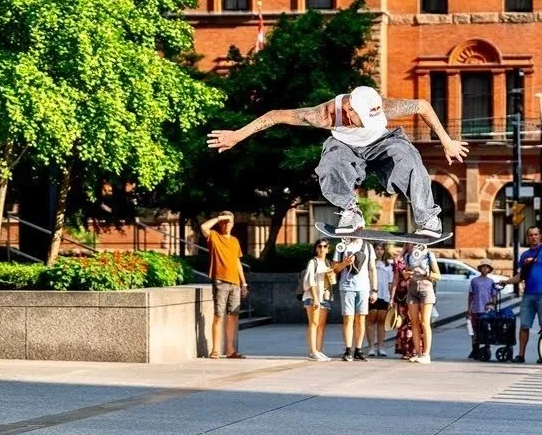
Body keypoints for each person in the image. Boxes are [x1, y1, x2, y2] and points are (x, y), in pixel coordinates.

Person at [206, 86, 469, 238]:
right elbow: (275, 115)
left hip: (382, 143)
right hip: (346, 146)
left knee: (410, 159)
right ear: (349, 110)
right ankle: (350, 212)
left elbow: (423, 106)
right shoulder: (322, 116)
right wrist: (238, 135)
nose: (362, 121)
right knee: (330, 163)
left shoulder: (381, 106)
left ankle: (427, 219)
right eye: (360, 119)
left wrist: (446, 140)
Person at [200, 211, 248, 359]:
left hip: (235, 283)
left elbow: (237, 261)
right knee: (218, 316)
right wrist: (219, 218)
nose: (227, 224)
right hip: (220, 281)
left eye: (230, 222)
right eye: (224, 222)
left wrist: (244, 283)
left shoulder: (234, 241)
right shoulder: (214, 236)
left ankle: (230, 350)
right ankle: (215, 349)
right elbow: (203, 227)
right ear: (220, 223)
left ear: (233, 224)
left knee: (233, 316)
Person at [509, 226, 542, 364]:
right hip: (528, 295)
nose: (533, 237)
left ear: (540, 236)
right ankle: (521, 355)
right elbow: (520, 276)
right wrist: (506, 282)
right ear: (527, 237)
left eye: (536, 234)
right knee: (524, 326)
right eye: (531, 235)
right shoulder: (524, 255)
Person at [332, 237, 376, 361]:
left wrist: (374, 290)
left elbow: (372, 269)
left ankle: (358, 349)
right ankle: (348, 350)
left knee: (361, 319)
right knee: (348, 318)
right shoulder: (342, 246)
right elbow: (334, 268)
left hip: (363, 287)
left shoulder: (368, 246)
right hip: (347, 286)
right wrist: (345, 263)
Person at [403, 243, 440, 363]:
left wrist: (425, 273)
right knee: (414, 322)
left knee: (424, 322)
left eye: (417, 243)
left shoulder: (429, 255)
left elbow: (438, 276)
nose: (414, 245)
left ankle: (426, 354)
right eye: (412, 243)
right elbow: (406, 273)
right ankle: (418, 353)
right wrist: (406, 274)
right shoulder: (409, 256)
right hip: (413, 288)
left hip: (426, 287)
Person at [301, 239, 336, 361]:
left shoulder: (328, 263)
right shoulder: (313, 262)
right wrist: (316, 299)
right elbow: (311, 281)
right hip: (312, 297)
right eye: (319, 246)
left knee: (321, 325)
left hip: (324, 297)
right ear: (316, 248)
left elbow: (332, 281)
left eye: (324, 246)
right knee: (314, 323)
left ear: (328, 249)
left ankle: (319, 350)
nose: (322, 248)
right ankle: (313, 351)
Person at [467, 262, 498, 360]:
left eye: (487, 267)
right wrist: (468, 308)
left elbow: (494, 295)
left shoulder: (491, 281)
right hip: (476, 308)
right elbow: (471, 295)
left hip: (487, 310)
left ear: (489, 269)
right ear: (480, 269)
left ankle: (486, 346)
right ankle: (475, 349)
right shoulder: (474, 281)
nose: (485, 269)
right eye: (483, 267)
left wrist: (493, 306)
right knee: (475, 330)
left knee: (486, 329)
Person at [367, 243, 394, 357]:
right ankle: (371, 347)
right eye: (377, 249)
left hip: (384, 296)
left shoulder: (388, 265)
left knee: (382, 322)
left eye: (381, 249)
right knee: (371, 320)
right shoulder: (369, 264)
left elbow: (390, 283)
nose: (379, 251)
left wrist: (391, 298)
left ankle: (381, 346)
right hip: (371, 294)